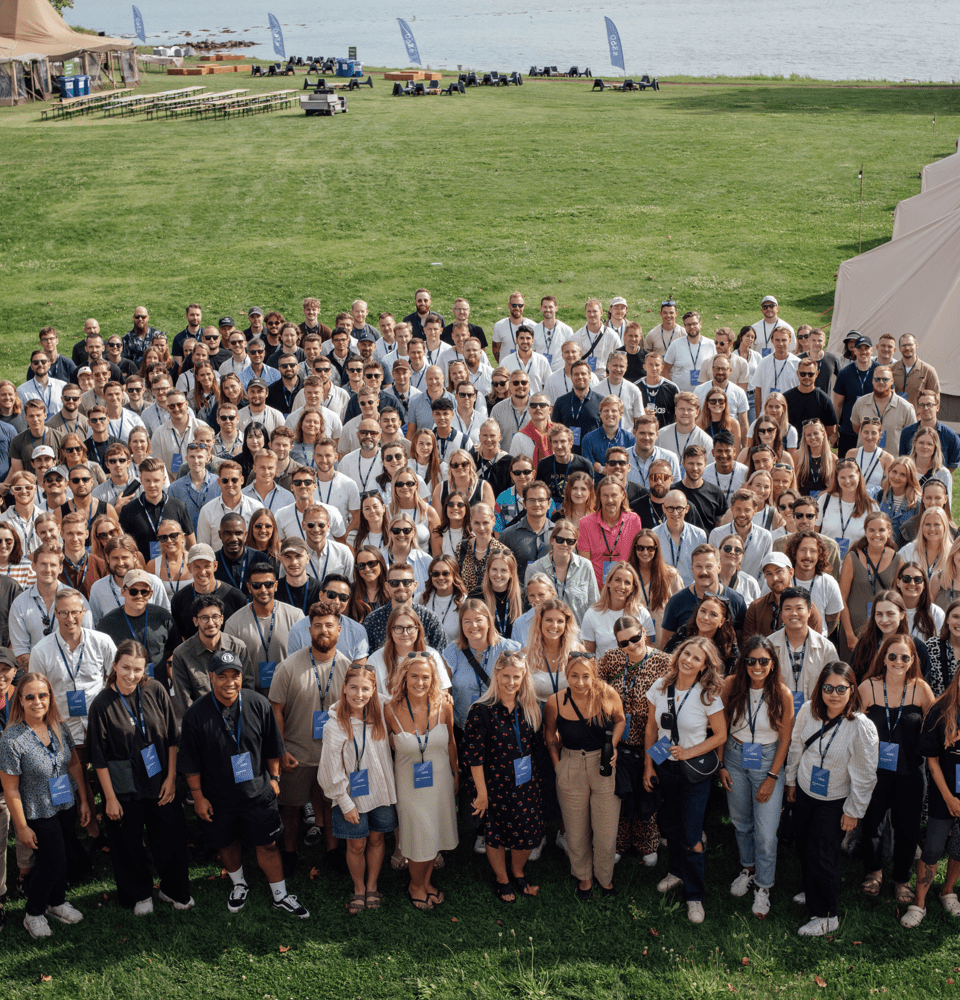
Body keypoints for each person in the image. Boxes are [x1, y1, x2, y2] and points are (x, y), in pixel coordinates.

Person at [179, 649, 307, 917]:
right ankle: (239, 884)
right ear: (211, 677)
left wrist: (275, 778)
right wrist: (198, 797)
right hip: (217, 797)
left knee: (268, 844)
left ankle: (280, 895)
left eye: (235, 676)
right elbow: (190, 763)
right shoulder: (195, 714)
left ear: (241, 676)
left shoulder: (258, 703)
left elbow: (273, 746)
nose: (229, 682)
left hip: (258, 792)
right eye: (222, 676)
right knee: (226, 843)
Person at [87, 640, 192, 914]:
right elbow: (98, 758)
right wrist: (110, 799)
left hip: (160, 783)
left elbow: (172, 738)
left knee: (171, 838)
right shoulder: (101, 704)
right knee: (127, 844)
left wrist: (171, 778)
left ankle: (173, 890)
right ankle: (139, 894)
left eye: (137, 669)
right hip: (123, 788)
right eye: (125, 668)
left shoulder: (155, 690)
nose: (131, 675)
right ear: (114, 666)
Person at [785, 661, 878, 936]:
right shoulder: (808, 710)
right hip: (805, 790)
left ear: (852, 690)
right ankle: (812, 891)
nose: (834, 694)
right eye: (828, 688)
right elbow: (796, 746)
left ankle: (826, 916)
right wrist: (791, 780)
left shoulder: (861, 726)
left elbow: (865, 774)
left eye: (841, 688)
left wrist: (853, 811)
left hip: (835, 799)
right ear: (820, 688)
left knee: (823, 855)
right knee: (804, 846)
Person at [0, 672, 91, 938]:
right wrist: (21, 827)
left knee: (62, 857)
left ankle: (57, 902)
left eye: (43, 695)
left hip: (65, 803)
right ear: (20, 700)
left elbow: (73, 764)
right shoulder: (11, 739)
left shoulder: (58, 727)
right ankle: (33, 913)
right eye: (30, 697)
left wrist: (84, 801)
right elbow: (10, 788)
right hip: (38, 810)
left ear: (50, 698)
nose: (37, 702)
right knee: (53, 863)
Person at [643, 637, 727, 923]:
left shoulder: (707, 695)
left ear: (704, 666)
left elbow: (720, 735)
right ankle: (676, 872)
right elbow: (651, 728)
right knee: (670, 825)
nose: (688, 660)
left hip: (693, 772)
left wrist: (689, 752)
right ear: (678, 654)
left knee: (692, 836)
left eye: (696, 658)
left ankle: (694, 894)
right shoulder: (660, 686)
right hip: (665, 768)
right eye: (686, 653)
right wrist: (648, 766)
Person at [268, 600, 351, 869]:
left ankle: (332, 851)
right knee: (291, 808)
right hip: (297, 754)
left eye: (329, 625)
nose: (323, 630)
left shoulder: (348, 668)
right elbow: (276, 710)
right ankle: (290, 853)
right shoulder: (289, 667)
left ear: (339, 629)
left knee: (331, 805)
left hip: (334, 755)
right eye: (317, 626)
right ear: (309, 630)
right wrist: (281, 751)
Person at [719, 637, 793, 917]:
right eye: (751, 660)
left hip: (767, 760)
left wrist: (772, 776)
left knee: (766, 832)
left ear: (772, 663)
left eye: (763, 660)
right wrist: (721, 764)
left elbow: (785, 739)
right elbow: (720, 727)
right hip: (734, 757)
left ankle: (764, 886)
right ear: (744, 662)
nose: (757, 666)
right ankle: (748, 869)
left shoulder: (782, 693)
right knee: (741, 822)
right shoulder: (731, 685)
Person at [857, 634, 934, 904]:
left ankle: (902, 879)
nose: (898, 661)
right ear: (883, 658)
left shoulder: (921, 689)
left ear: (912, 660)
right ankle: (874, 871)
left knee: (908, 828)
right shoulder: (867, 687)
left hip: (911, 772)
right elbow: (854, 726)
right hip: (875, 772)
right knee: (872, 823)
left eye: (904, 657)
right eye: (892, 656)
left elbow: (933, 726)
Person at [317, 663, 397, 914]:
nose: (359, 694)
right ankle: (359, 888)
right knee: (356, 845)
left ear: (374, 690)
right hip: (351, 797)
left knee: (377, 838)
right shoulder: (334, 725)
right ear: (344, 688)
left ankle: (372, 885)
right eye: (353, 688)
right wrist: (344, 802)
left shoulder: (382, 712)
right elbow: (329, 770)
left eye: (365, 689)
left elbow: (408, 701)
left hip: (380, 791)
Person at [463, 650, 543, 902]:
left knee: (527, 831)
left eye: (516, 677)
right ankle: (502, 879)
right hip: (494, 783)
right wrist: (482, 794)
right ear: (496, 675)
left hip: (526, 783)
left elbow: (534, 747)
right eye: (506, 676)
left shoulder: (529, 707)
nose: (511, 682)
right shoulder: (481, 710)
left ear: (523, 677)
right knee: (495, 832)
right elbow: (474, 757)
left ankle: (518, 871)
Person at [544, 653, 625, 899]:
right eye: (574, 676)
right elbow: (550, 735)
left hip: (603, 766)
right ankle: (584, 877)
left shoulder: (607, 694)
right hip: (570, 765)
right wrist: (558, 766)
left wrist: (612, 745)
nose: (580, 682)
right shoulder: (555, 702)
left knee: (606, 832)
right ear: (566, 675)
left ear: (594, 676)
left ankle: (605, 878)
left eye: (586, 676)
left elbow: (620, 720)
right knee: (575, 831)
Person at [384, 653, 458, 910]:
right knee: (419, 834)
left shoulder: (444, 706)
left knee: (434, 832)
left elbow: (451, 743)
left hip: (441, 781)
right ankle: (415, 886)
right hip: (409, 785)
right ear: (404, 678)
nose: (419, 682)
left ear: (433, 679)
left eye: (425, 677)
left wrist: (456, 773)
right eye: (414, 676)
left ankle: (426, 882)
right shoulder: (390, 710)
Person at [906, 665, 960, 927]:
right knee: (932, 849)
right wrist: (949, 798)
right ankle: (919, 903)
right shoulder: (940, 710)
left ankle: (947, 891)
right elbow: (933, 761)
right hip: (944, 794)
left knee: (959, 848)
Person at [223, 563, 304, 693]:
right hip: (252, 694)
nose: (263, 589)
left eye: (268, 584)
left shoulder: (296, 617)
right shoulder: (234, 624)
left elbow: (306, 658)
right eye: (256, 585)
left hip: (291, 693)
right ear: (249, 587)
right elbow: (229, 667)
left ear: (275, 586)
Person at [524, 519, 599, 622]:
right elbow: (529, 607)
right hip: (547, 630)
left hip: (578, 630)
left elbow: (593, 603)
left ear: (575, 544)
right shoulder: (534, 569)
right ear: (552, 540)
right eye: (560, 540)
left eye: (570, 541)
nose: (565, 544)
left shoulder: (585, 566)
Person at [582, 562, 655, 659]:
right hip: (603, 668)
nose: (622, 586)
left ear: (632, 588)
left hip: (636, 668)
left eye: (627, 582)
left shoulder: (642, 613)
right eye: (617, 580)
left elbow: (648, 653)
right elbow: (589, 657)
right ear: (608, 582)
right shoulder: (591, 614)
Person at [784, 529, 844, 636]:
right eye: (803, 550)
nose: (808, 555)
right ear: (794, 553)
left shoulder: (829, 583)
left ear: (819, 555)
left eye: (813, 551)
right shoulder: (782, 580)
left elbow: (832, 621)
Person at [420, 554, 468, 645]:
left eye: (446, 573)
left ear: (454, 575)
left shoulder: (464, 602)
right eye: (435, 574)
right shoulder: (421, 599)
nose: (441, 577)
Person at [349, 546, 389, 623]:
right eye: (361, 565)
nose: (367, 569)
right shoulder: (350, 591)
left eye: (371, 563)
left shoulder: (392, 588)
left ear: (381, 563)